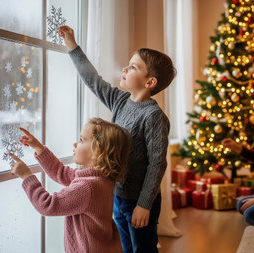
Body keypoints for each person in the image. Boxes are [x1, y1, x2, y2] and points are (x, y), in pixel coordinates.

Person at [58, 26, 175, 253]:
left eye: (133, 67)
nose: (125, 68)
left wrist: (143, 205)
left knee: (143, 249)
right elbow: (93, 80)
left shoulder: (153, 117)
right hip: (117, 195)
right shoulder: (120, 100)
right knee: (123, 248)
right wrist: (72, 46)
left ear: (149, 82)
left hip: (140, 201)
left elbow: (157, 164)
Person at [10, 118, 131, 253]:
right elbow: (60, 172)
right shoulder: (102, 178)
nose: (75, 143)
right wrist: (38, 147)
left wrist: (27, 176)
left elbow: (47, 205)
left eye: (81, 140)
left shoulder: (88, 187)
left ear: (98, 152)